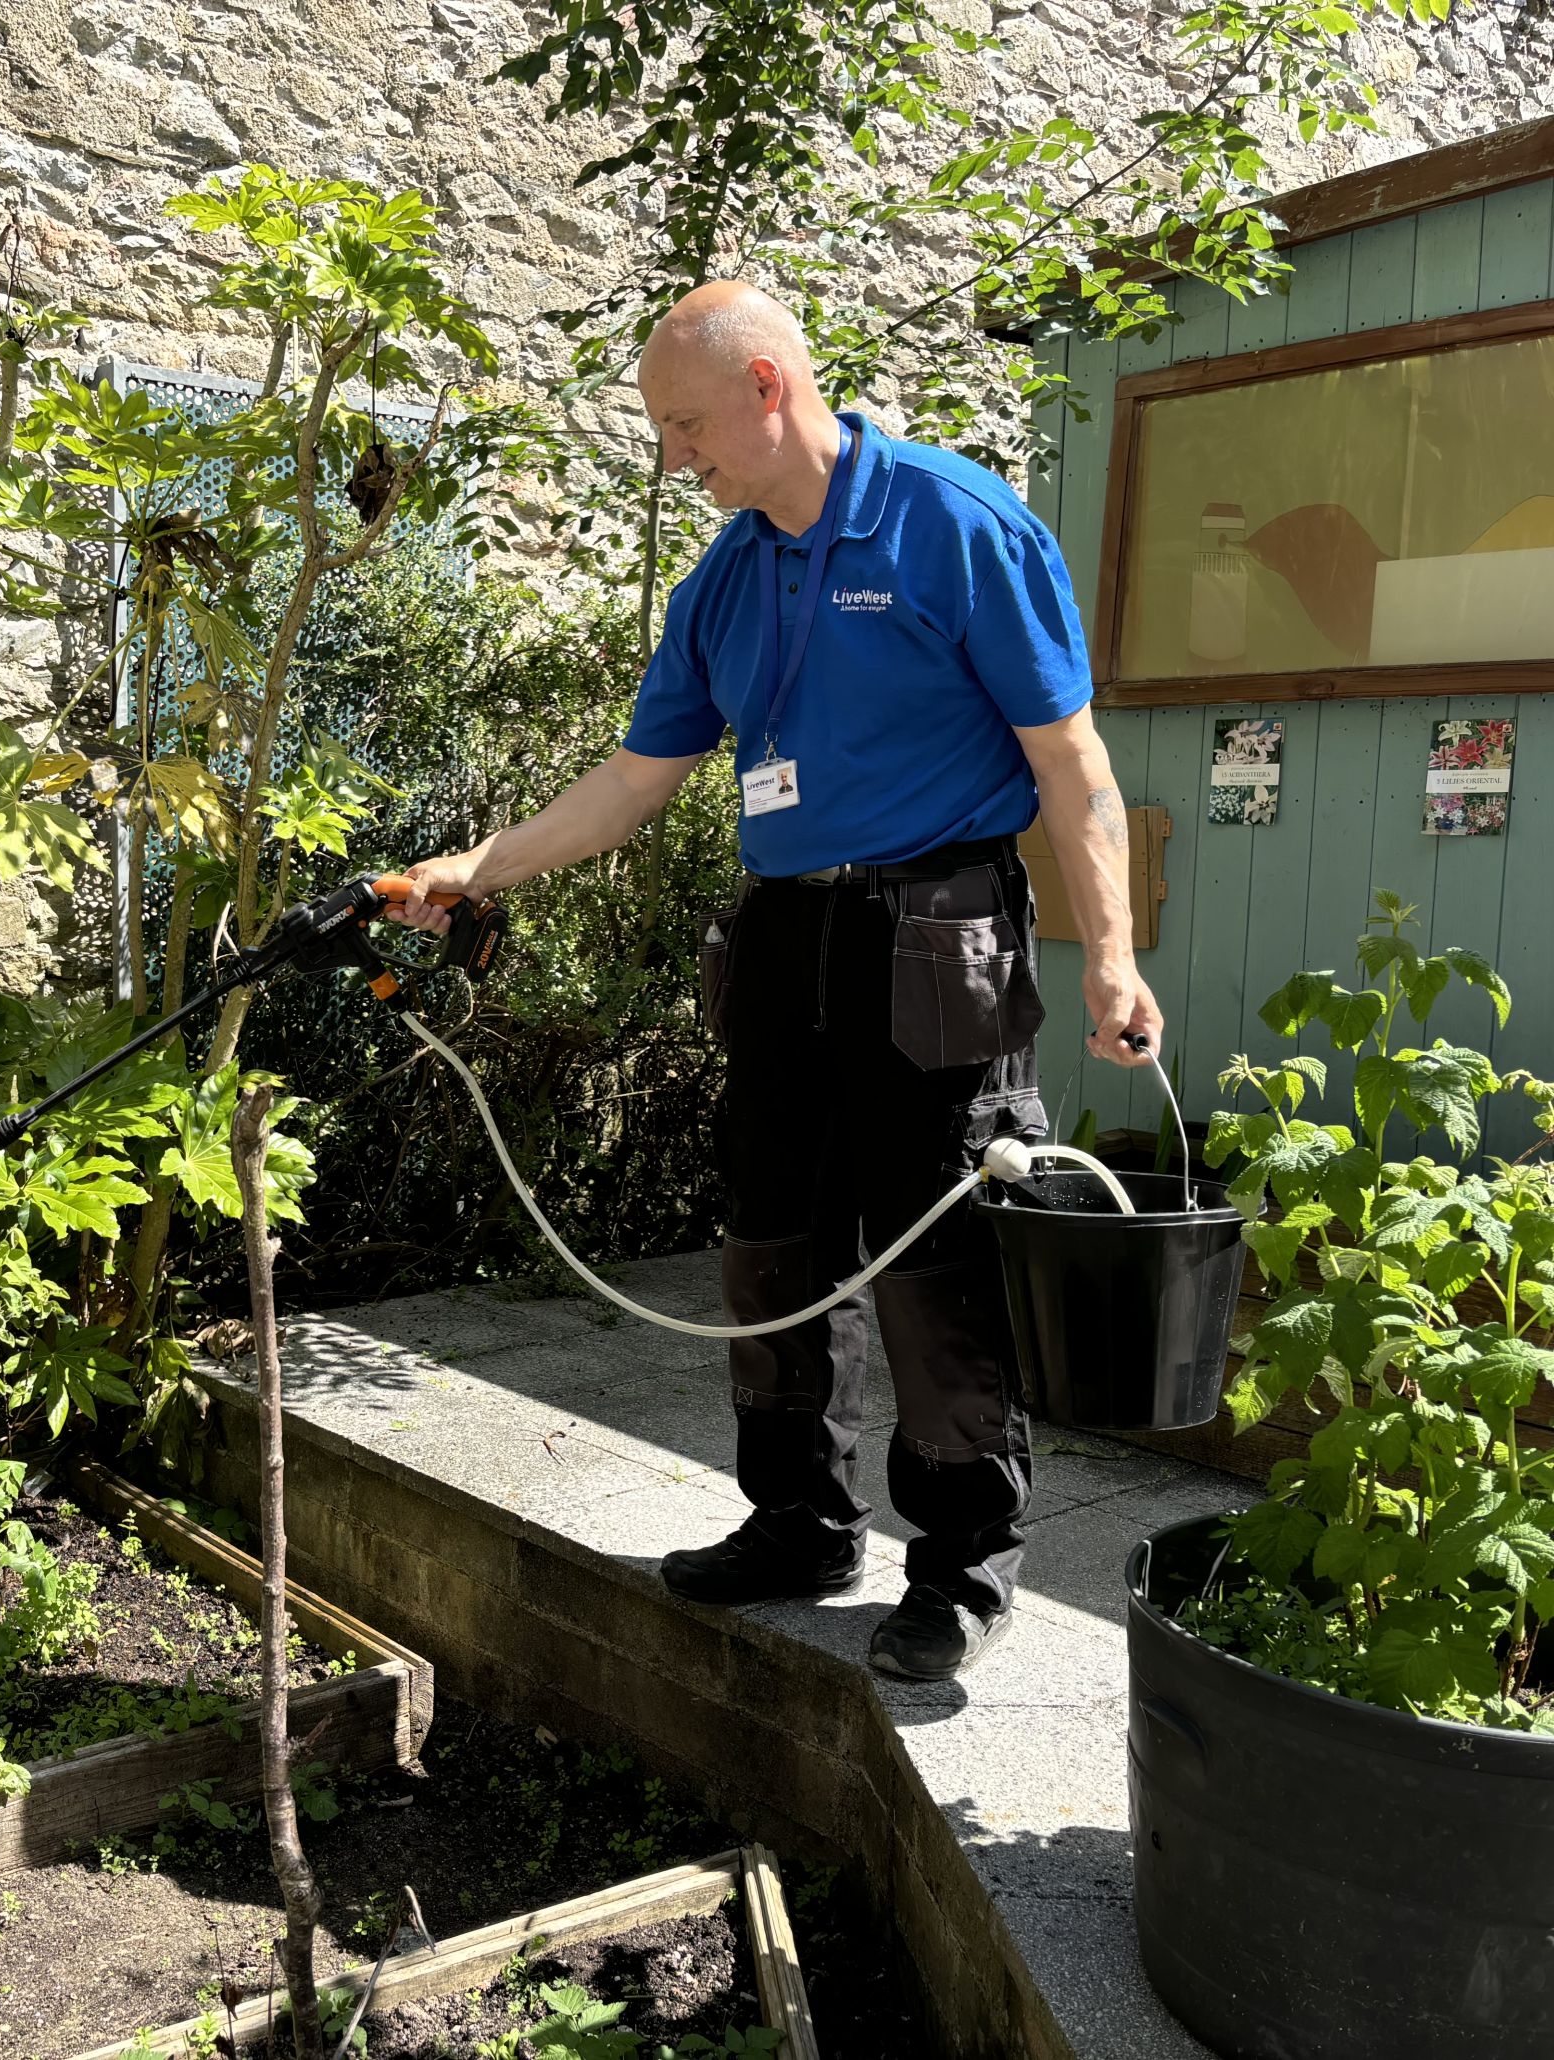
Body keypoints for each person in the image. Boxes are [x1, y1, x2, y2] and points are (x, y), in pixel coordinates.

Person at [391, 279, 1160, 1681]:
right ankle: (798, 1519)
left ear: (767, 389)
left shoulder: (954, 524)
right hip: (782, 935)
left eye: (686, 425)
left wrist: (1108, 950)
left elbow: (1070, 763)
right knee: (775, 1242)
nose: (676, 458)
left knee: (934, 1252)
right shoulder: (727, 583)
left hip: (939, 926)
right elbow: (635, 779)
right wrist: (479, 866)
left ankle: (964, 1564)